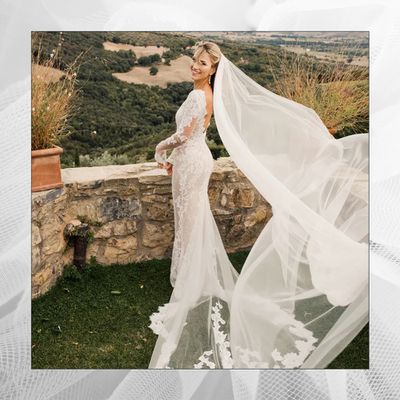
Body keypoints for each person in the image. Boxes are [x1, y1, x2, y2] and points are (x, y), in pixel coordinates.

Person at [149, 41, 368, 369]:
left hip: (192, 161)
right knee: (191, 218)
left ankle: (190, 279)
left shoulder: (198, 96)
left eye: (203, 63)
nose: (196, 66)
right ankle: (188, 275)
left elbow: (185, 134)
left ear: (213, 70)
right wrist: (173, 157)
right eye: (195, 60)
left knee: (191, 219)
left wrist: (159, 148)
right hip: (192, 160)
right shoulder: (205, 94)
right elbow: (192, 136)